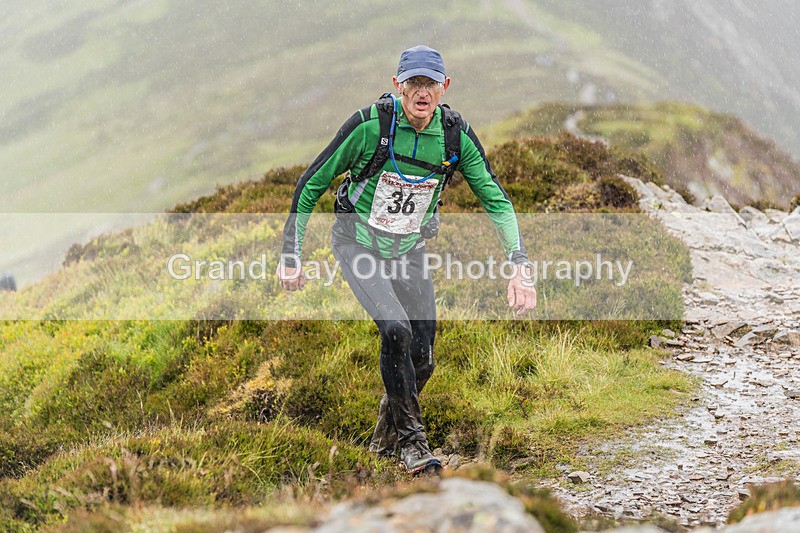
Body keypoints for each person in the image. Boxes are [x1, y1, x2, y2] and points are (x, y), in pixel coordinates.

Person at [277, 45, 536, 475]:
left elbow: (496, 199)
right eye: (413, 82)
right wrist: (292, 254)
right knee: (395, 329)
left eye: (430, 83)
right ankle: (415, 445)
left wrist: (519, 263)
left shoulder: (454, 137)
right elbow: (310, 184)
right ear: (398, 85)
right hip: (356, 244)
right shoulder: (368, 126)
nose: (422, 92)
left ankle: (382, 441)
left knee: (423, 359)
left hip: (408, 250)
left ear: (444, 87)